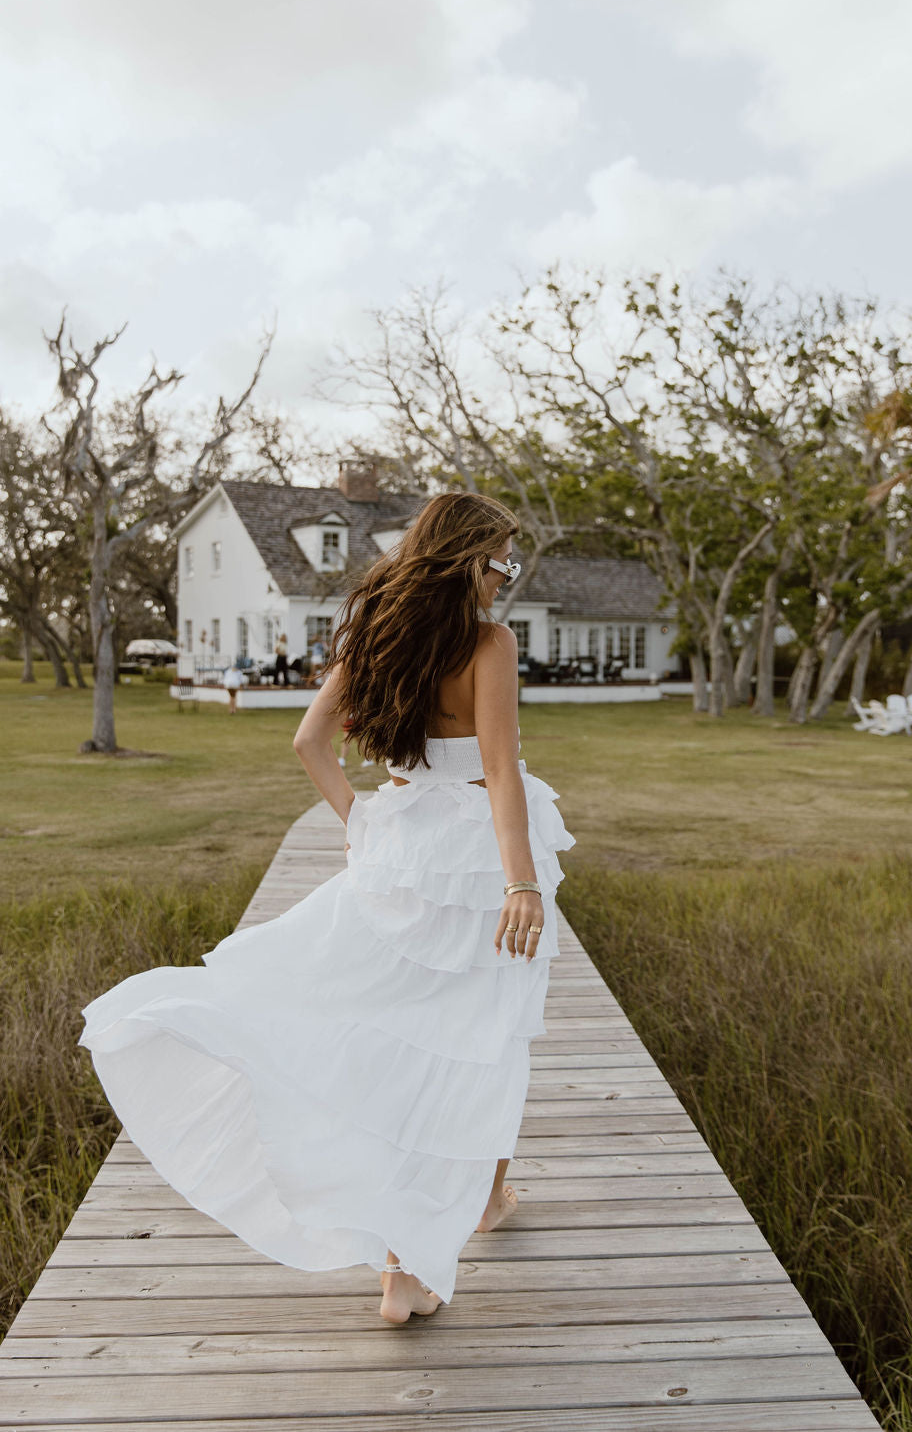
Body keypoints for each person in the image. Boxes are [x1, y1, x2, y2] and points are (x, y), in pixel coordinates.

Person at [78, 492, 575, 1324]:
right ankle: (402, 1261)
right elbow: (500, 771)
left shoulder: (379, 632)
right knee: (479, 1036)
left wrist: (362, 823)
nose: (506, 580)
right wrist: (521, 881)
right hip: (473, 858)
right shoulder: (489, 643)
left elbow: (310, 741)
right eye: (501, 563)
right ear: (468, 561)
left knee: (435, 1034)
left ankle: (479, 1201)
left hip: (405, 845)